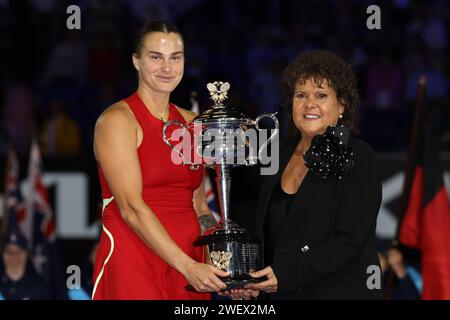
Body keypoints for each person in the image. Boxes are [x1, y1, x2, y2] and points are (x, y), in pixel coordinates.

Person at [92, 20, 227, 300]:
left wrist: (224, 268)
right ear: (136, 61)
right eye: (156, 57)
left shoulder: (194, 123)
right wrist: (188, 266)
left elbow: (200, 205)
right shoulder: (117, 121)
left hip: (189, 259)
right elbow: (131, 208)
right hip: (135, 258)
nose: (167, 68)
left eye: (175, 58)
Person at [243, 50, 384, 299]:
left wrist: (285, 275)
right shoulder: (276, 153)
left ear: (341, 104)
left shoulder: (359, 156)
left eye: (321, 95)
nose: (310, 104)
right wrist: (250, 279)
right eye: (301, 95)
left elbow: (349, 240)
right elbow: (266, 232)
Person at [0, 230, 50, 300]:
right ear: (3, 254)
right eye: (9, 251)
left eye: (18, 251)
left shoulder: (39, 288)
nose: (14, 256)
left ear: (26, 254)